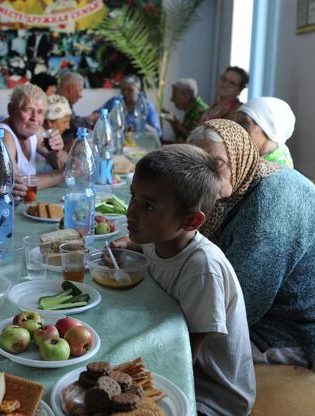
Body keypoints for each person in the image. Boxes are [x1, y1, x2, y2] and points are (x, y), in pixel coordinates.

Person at [111, 144, 255, 415]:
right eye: (133, 196)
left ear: (191, 221)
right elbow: (146, 248)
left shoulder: (202, 269)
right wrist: (128, 244)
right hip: (171, 354)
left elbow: (186, 356)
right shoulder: (159, 237)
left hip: (209, 395)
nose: (130, 212)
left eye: (149, 206)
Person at [187, 119, 315, 369]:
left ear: (239, 155)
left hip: (285, 333)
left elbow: (241, 305)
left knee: (171, 354)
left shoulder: (271, 204)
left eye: (216, 164)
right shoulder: (243, 180)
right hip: (263, 316)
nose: (204, 177)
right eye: (196, 165)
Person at [0, 84, 68, 189]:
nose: (34, 118)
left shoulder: (34, 131)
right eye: (28, 110)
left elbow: (60, 163)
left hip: (18, 202)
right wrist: (63, 175)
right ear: (11, 110)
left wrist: (57, 152)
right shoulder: (2, 137)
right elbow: (13, 185)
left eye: (40, 112)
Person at [236, 97, 295, 168]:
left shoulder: (275, 167)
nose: (236, 128)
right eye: (236, 123)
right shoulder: (258, 158)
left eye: (244, 123)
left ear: (268, 128)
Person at [96, 74, 162, 137]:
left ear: (139, 90)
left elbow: (158, 134)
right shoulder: (115, 102)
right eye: (123, 90)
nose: (125, 93)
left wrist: (141, 124)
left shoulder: (147, 106)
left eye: (130, 90)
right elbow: (96, 116)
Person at [161, 78, 209, 143]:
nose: (171, 99)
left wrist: (177, 125)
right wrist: (173, 122)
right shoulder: (192, 109)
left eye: (174, 96)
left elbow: (189, 141)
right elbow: (181, 136)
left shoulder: (201, 111)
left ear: (186, 97)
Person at [57, 71, 94, 144]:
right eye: (80, 90)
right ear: (71, 89)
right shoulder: (57, 102)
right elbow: (73, 123)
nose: (81, 95)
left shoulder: (66, 102)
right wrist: (91, 118)